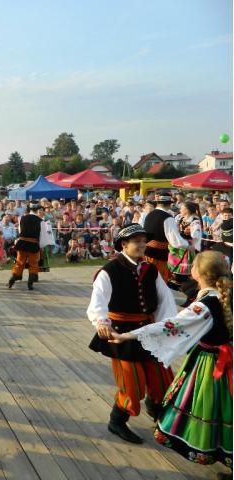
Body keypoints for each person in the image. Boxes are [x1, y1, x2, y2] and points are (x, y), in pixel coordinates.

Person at [109, 251, 232, 470]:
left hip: (212, 364)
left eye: (193, 265)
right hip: (226, 358)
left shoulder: (203, 306)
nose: (190, 267)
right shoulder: (225, 295)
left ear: (198, 273)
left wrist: (128, 335)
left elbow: (170, 326)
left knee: (212, 406)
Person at [87, 223, 177, 444]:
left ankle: (157, 412)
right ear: (124, 244)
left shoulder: (150, 269)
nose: (142, 245)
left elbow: (165, 299)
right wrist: (101, 321)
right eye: (137, 241)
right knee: (132, 384)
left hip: (149, 331)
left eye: (144, 241)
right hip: (121, 334)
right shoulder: (109, 271)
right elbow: (98, 301)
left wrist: (167, 326)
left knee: (162, 379)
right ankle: (117, 421)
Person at [143, 192, 189, 283]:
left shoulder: (149, 215)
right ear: (170, 204)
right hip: (158, 256)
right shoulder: (167, 218)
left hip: (146, 253)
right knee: (158, 282)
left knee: (147, 280)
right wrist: (188, 245)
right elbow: (176, 242)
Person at [8, 202, 51, 290]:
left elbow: (20, 231)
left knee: (19, 262)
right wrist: (41, 246)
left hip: (22, 243)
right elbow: (42, 235)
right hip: (33, 244)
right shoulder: (40, 221)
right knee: (33, 263)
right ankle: (30, 283)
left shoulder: (22, 218)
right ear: (37, 210)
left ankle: (13, 278)